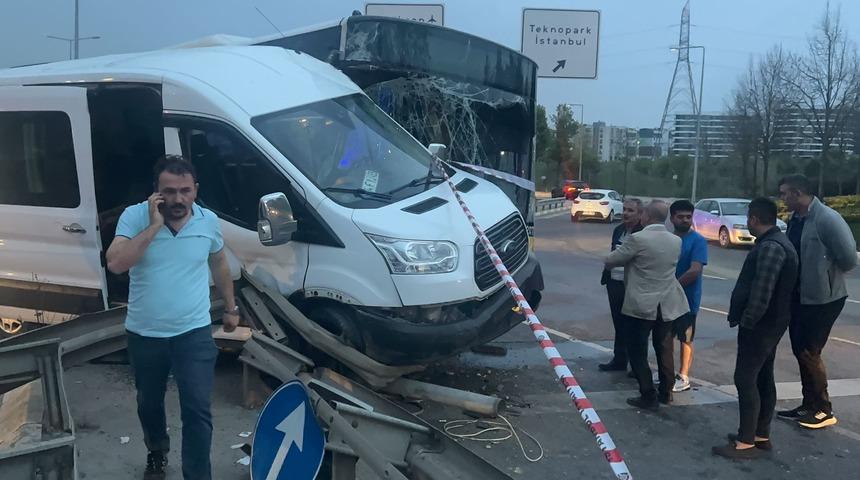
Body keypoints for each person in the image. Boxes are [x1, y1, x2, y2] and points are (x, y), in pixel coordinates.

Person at [106, 155, 240, 480]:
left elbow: (219, 261)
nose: (178, 199)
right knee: (148, 404)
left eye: (185, 191)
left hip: (192, 333)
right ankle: (157, 450)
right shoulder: (134, 216)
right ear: (156, 192)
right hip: (145, 334)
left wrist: (231, 308)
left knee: (197, 410)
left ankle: (197, 475)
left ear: (196, 189)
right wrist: (153, 227)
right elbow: (116, 263)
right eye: (170, 191)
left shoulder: (207, 221)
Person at [713, 198, 798, 460]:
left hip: (762, 325)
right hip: (772, 323)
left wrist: (748, 321)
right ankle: (760, 434)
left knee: (745, 378)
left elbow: (762, 292)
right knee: (762, 377)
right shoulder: (776, 243)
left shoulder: (771, 247)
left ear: (754, 219)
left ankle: (745, 442)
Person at [777, 174, 857, 429]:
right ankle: (808, 404)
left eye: (785, 193)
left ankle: (823, 409)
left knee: (811, 351)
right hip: (799, 296)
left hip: (824, 298)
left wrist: (824, 275)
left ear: (798, 193)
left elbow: (848, 258)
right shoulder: (796, 219)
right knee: (800, 350)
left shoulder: (827, 219)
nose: (782, 198)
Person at [605, 200, 690, 409]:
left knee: (637, 349)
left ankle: (647, 394)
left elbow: (611, 260)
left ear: (647, 217)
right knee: (664, 349)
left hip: (642, 303)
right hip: (667, 304)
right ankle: (666, 392)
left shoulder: (638, 239)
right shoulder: (675, 241)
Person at [599, 198, 643, 372]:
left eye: (631, 210)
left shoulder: (642, 233)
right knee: (618, 322)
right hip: (614, 282)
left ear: (640, 214)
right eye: (624, 209)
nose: (625, 213)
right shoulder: (618, 230)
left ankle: (637, 365)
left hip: (632, 284)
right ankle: (619, 359)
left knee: (633, 325)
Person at [669, 200, 708, 392]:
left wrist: (671, 287)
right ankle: (666, 372)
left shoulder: (698, 241)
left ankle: (683, 376)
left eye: (688, 217)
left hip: (687, 300)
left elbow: (695, 271)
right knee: (665, 336)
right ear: (672, 218)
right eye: (680, 217)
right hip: (667, 299)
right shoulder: (669, 239)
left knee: (686, 338)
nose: (685, 220)